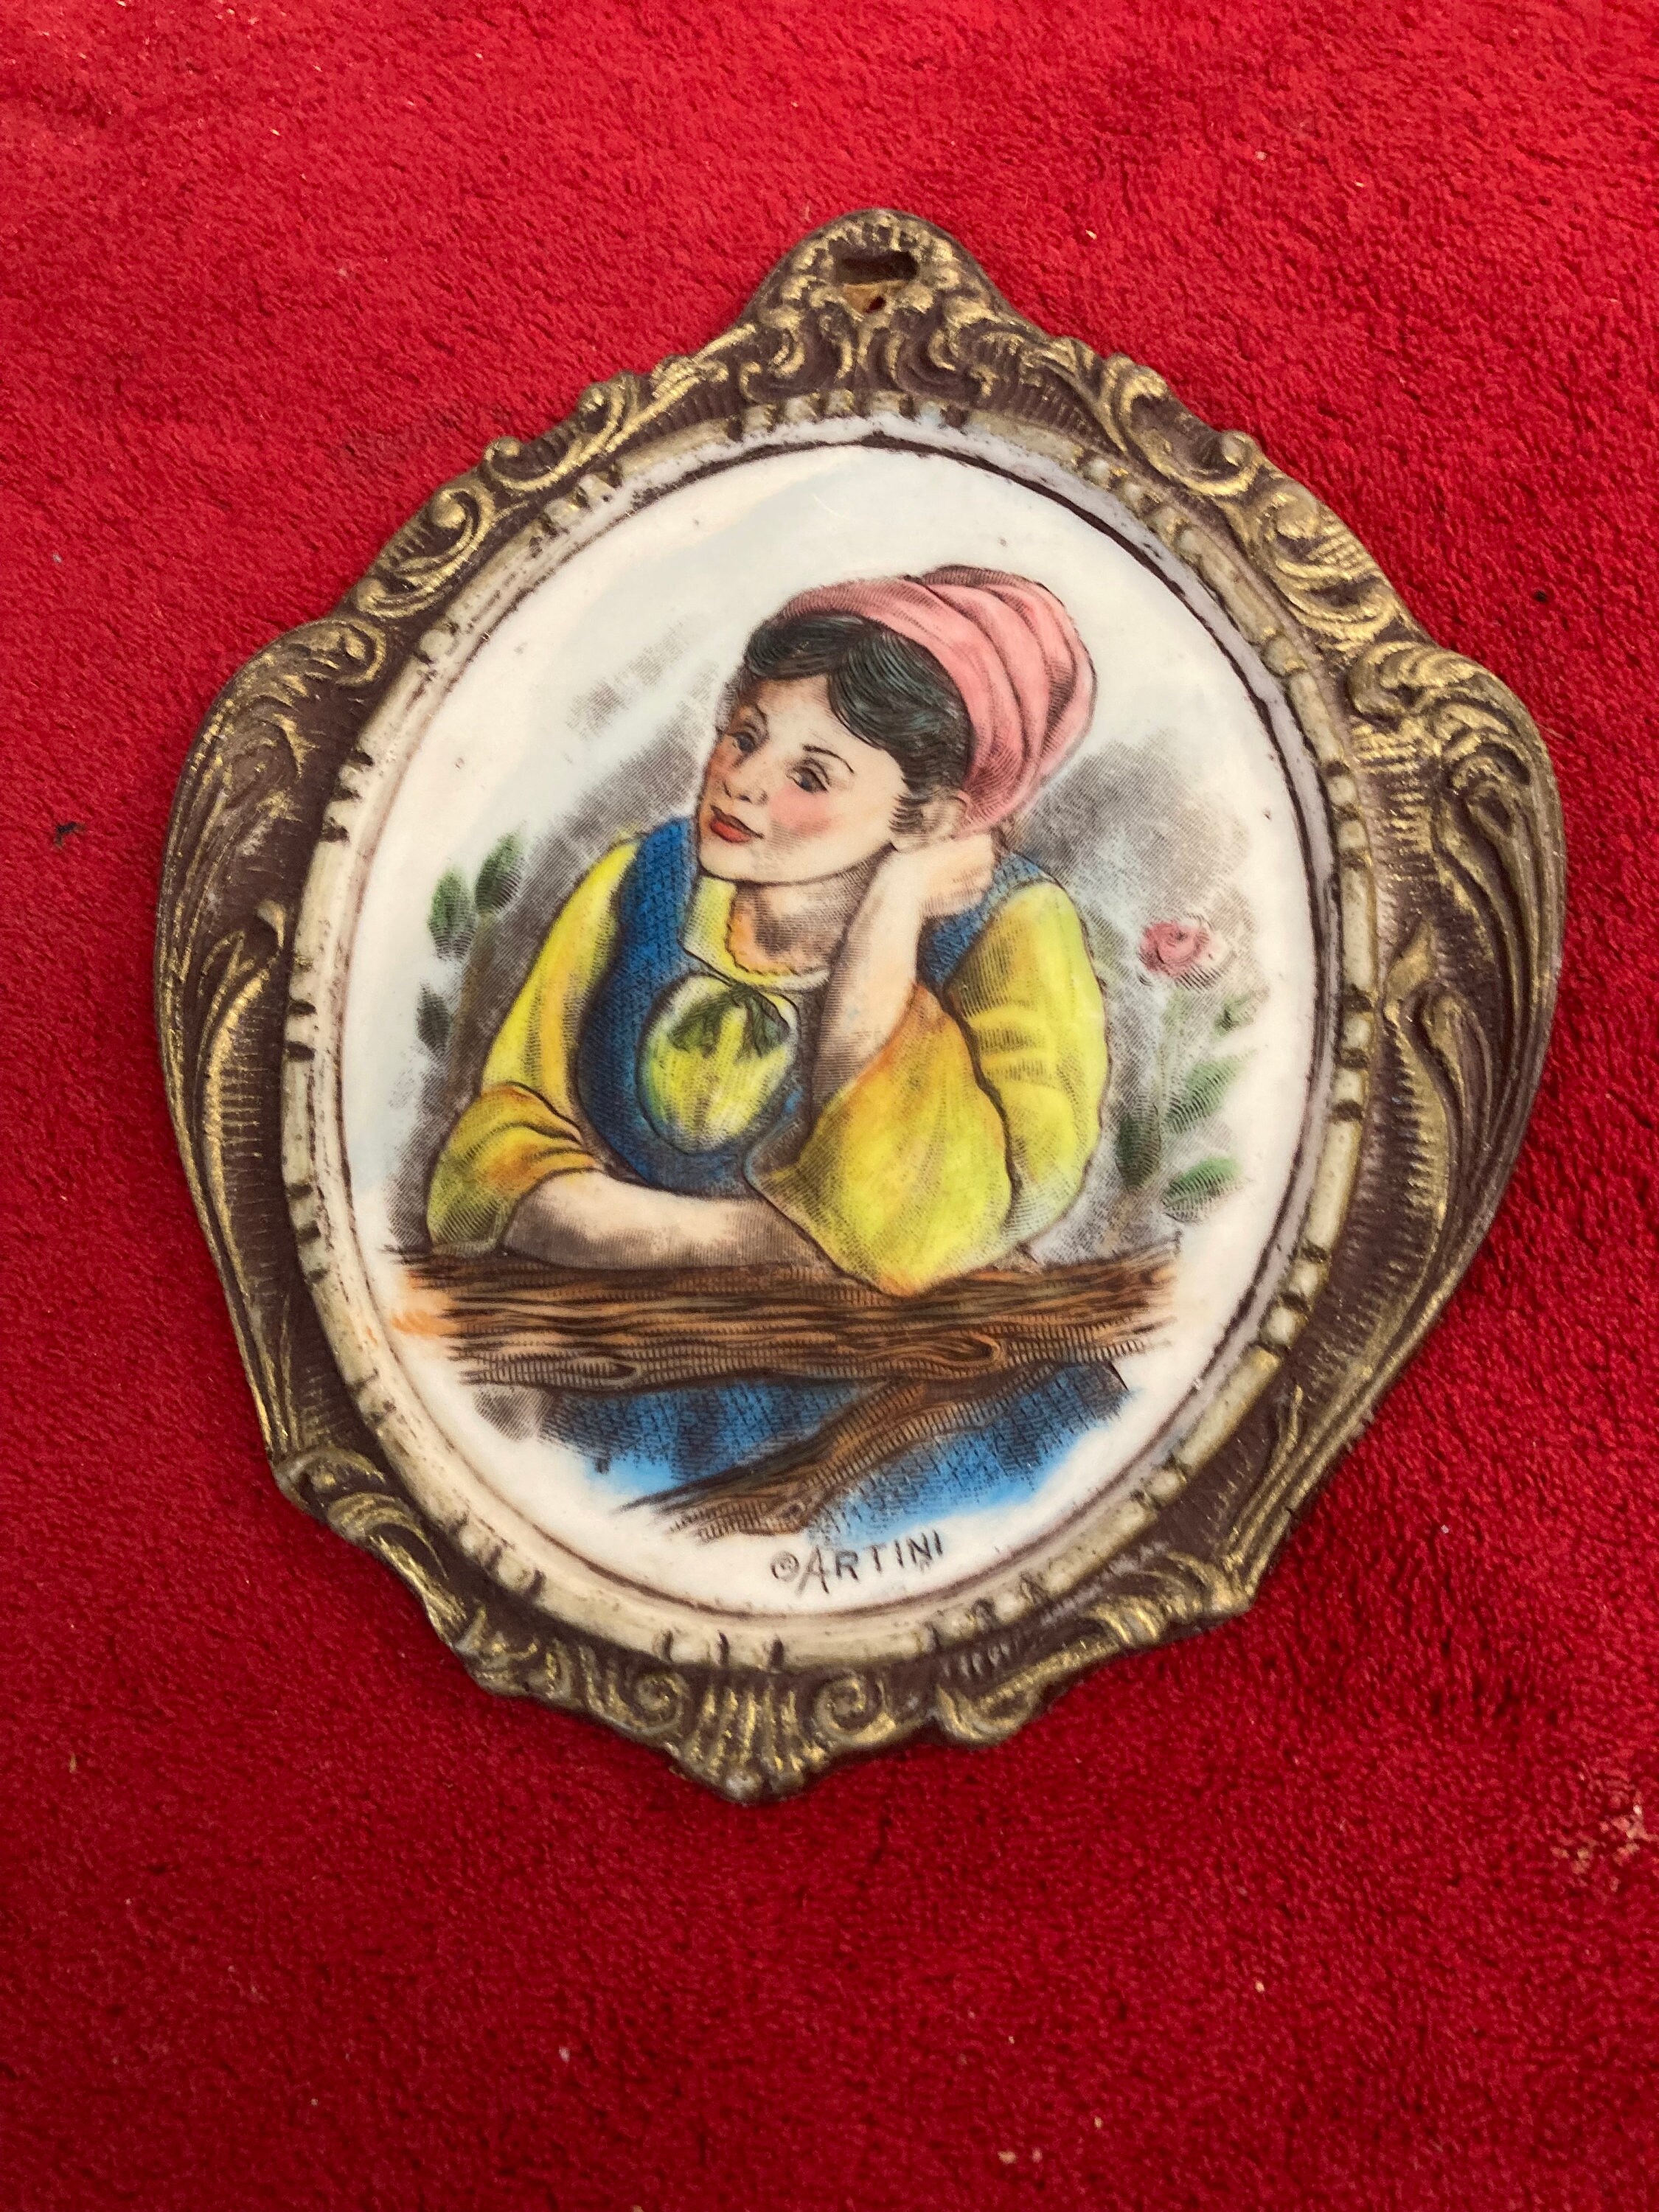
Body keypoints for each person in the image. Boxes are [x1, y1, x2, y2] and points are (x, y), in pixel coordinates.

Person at [426, 566, 1107, 1300]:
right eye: (745, 736)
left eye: (810, 777)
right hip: (632, 1340)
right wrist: (766, 1239)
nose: (743, 781)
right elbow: (494, 1159)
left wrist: (893, 910)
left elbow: (920, 1234)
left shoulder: (1011, 927)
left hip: (915, 1362)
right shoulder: (641, 881)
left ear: (929, 819)